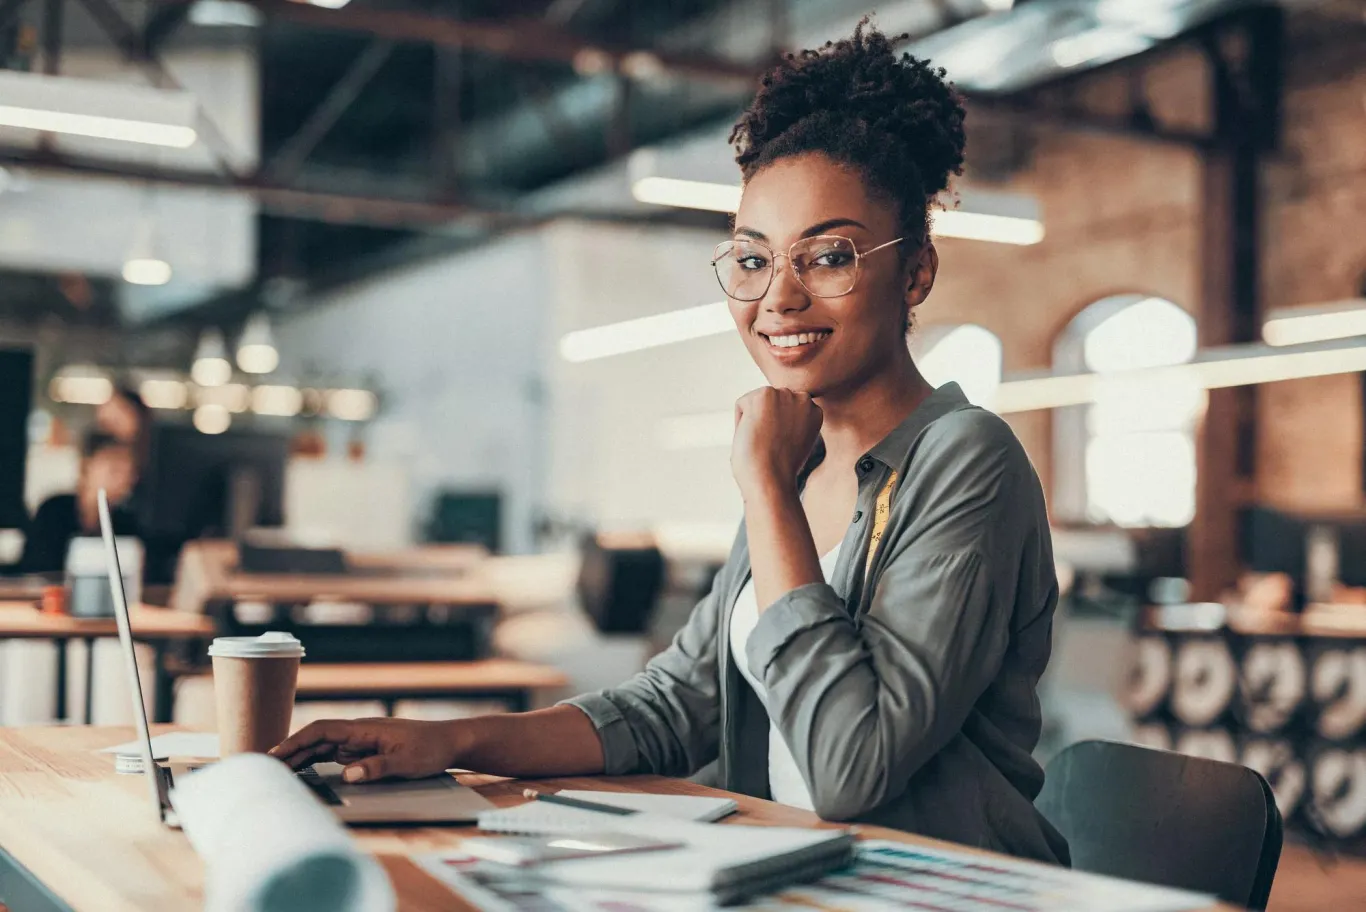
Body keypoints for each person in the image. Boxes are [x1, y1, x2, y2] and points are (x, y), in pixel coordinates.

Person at [272, 22, 1068, 864]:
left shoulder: (964, 459)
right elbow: (676, 706)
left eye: (828, 257)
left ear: (914, 274)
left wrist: (764, 485)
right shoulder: (798, 465)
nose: (778, 299)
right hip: (787, 873)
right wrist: (444, 742)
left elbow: (850, 766)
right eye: (753, 260)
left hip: (932, 886)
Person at [20, 431, 139, 574]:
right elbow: (37, 569)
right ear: (86, 466)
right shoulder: (54, 511)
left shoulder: (126, 523)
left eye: (129, 473)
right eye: (114, 470)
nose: (124, 480)